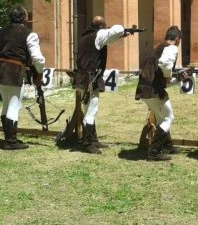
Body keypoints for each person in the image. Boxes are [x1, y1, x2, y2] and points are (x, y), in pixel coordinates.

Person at [0, 6, 45, 150]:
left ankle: (9, 139)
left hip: (0, 68)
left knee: (6, 104)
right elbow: (38, 58)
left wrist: (1, 56)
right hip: (15, 70)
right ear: (24, 18)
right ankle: (10, 142)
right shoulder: (30, 34)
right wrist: (40, 73)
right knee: (14, 104)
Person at [73, 16, 129, 154]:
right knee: (91, 111)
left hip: (82, 77)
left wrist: (119, 35)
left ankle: (93, 139)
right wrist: (121, 31)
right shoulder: (99, 34)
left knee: (89, 110)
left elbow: (106, 39)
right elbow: (117, 29)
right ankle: (88, 143)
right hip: (90, 78)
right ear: (102, 27)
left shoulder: (85, 37)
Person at [135, 26, 184, 161]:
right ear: (178, 39)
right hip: (153, 90)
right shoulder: (172, 48)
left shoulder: (159, 49)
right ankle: (154, 152)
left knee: (162, 118)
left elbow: (162, 79)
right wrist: (169, 75)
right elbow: (164, 65)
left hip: (146, 88)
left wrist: (177, 79)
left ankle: (167, 146)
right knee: (169, 118)